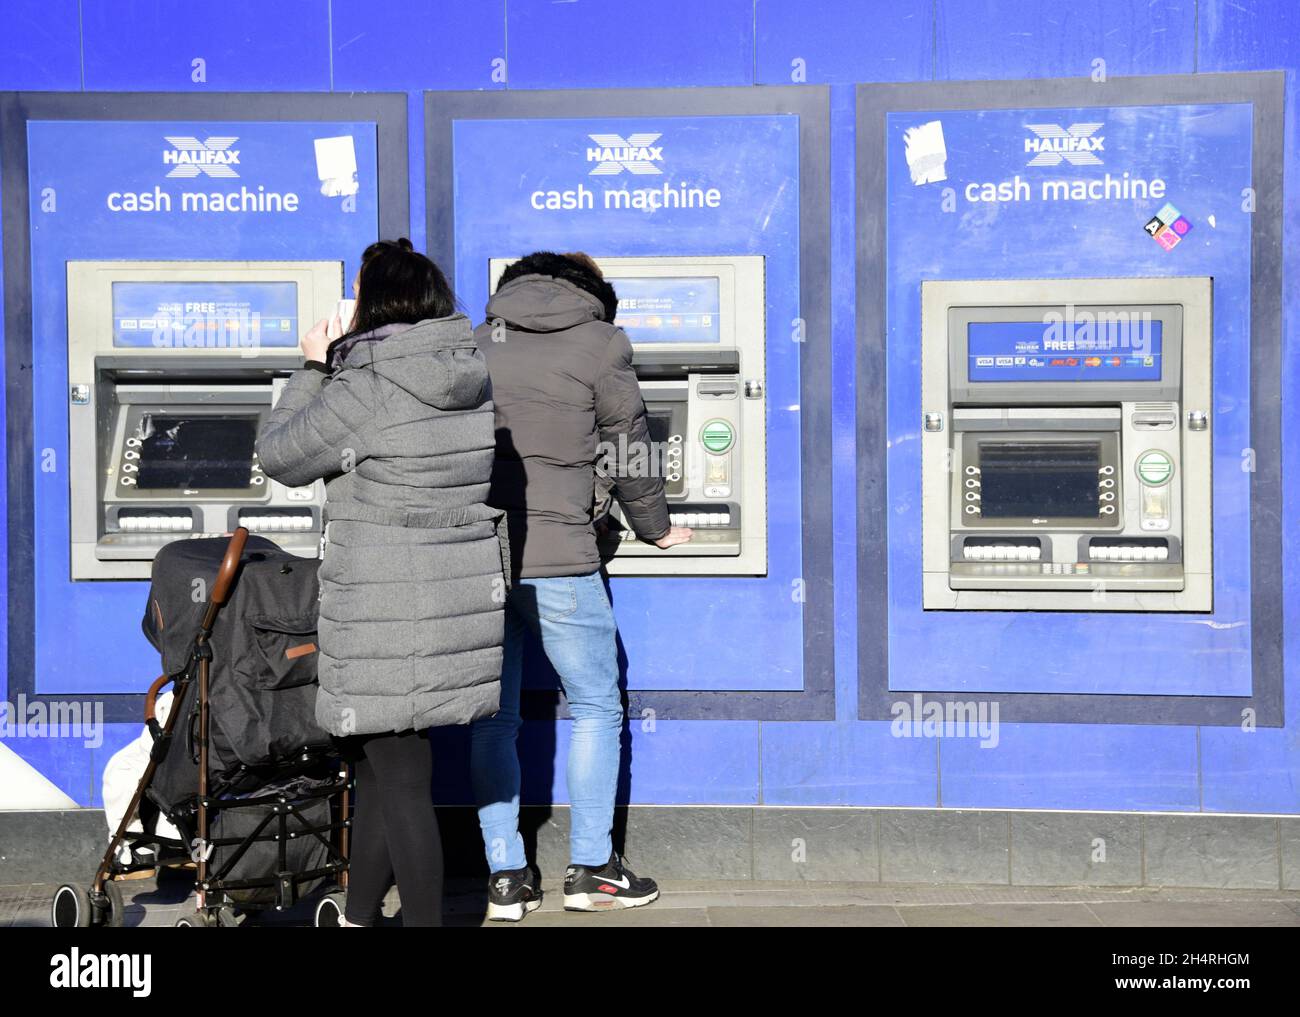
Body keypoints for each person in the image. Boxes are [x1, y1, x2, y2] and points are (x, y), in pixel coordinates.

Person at [257, 239, 507, 927]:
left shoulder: (368, 382)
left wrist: (313, 363)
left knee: (399, 782)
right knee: (379, 767)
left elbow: (280, 454)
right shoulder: (465, 374)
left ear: (373, 301)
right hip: (446, 602)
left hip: (385, 610)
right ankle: (360, 914)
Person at [470, 251, 692, 921]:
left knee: (495, 714)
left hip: (480, 557)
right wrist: (654, 525)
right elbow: (629, 443)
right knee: (595, 703)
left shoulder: (478, 343)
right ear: (590, 294)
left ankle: (506, 876)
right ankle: (592, 869)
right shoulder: (602, 343)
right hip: (561, 554)